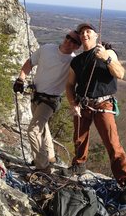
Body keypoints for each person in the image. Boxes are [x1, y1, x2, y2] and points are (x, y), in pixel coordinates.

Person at [64, 23, 126, 204]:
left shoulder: (107, 53)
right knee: (79, 138)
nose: (84, 34)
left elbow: (120, 74)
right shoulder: (77, 61)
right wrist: (73, 103)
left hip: (103, 102)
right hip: (83, 103)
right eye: (82, 32)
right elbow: (70, 85)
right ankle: (79, 165)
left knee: (112, 143)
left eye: (88, 32)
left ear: (96, 35)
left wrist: (106, 58)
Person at [13, 30, 81, 172]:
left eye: (74, 41)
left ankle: (43, 167)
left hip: (51, 100)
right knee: (43, 128)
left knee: (33, 131)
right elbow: (30, 63)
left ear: (77, 46)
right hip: (36, 95)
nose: (69, 41)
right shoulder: (47, 49)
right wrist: (20, 79)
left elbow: (78, 80)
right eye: (68, 37)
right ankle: (50, 157)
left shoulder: (73, 62)